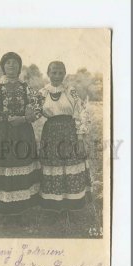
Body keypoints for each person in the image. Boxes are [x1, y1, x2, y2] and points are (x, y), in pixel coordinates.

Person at [0, 52, 42, 223]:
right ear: (3, 66)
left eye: (15, 63)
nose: (12, 66)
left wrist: (23, 118)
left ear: (19, 67)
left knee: (21, 166)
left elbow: (38, 109)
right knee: (3, 168)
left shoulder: (26, 88)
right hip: (2, 134)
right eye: (8, 63)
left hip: (22, 133)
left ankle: (20, 212)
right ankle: (3, 213)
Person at [38, 61, 92, 216]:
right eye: (54, 72)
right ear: (48, 73)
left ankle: (71, 207)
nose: (57, 76)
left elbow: (81, 111)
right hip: (51, 133)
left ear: (65, 74)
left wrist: (80, 136)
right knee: (53, 167)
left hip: (69, 133)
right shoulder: (42, 93)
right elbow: (34, 111)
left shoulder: (70, 91)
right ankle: (54, 208)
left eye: (60, 72)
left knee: (70, 165)